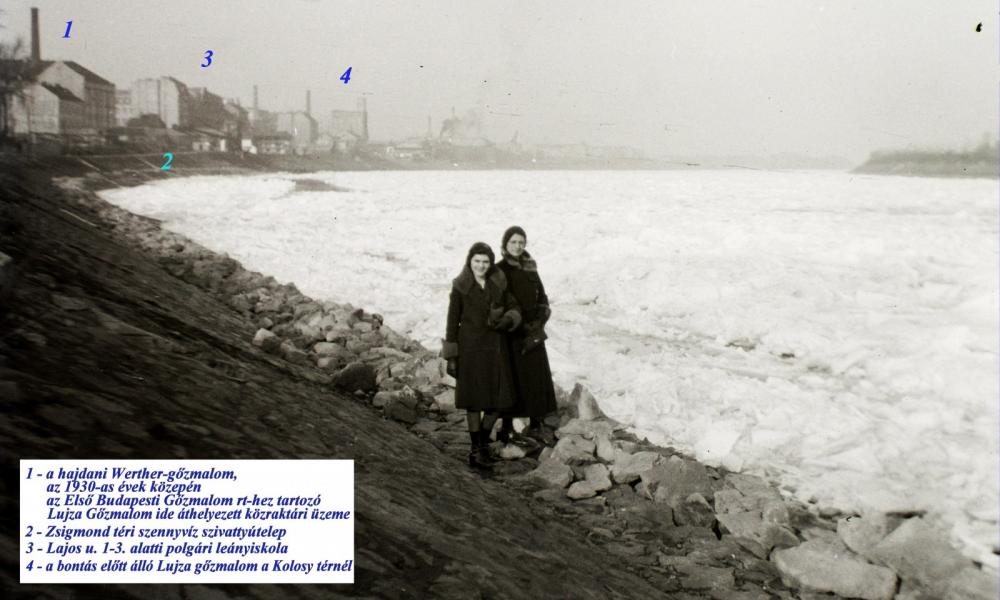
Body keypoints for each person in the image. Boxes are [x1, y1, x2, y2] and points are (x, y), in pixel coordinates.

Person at [442, 242, 522, 468]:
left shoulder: (498, 282)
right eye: (477, 261)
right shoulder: (460, 286)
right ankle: (477, 450)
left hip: (495, 349)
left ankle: (482, 444)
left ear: (491, 263)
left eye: (486, 262)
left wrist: (508, 319)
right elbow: (452, 322)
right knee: (474, 402)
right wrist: (452, 356)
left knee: (498, 402)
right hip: (470, 349)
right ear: (470, 261)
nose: (481, 266)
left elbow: (515, 307)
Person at [495, 226, 558, 444]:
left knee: (535, 376)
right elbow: (499, 301)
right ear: (505, 244)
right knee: (512, 377)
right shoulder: (499, 269)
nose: (518, 246)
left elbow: (542, 296)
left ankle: (536, 422)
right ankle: (507, 426)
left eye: (521, 242)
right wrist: (517, 323)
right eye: (513, 242)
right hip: (513, 330)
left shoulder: (530, 267)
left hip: (533, 329)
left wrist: (539, 320)